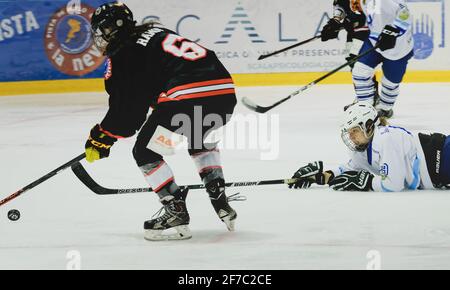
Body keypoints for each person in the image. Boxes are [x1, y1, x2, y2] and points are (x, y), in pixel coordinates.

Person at [85, 2, 238, 241]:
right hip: (224, 98)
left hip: (185, 102)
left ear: (112, 28)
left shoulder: (124, 52)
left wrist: (102, 137)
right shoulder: (156, 33)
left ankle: (175, 210)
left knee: (146, 151)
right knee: (197, 136)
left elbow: (127, 112)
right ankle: (219, 197)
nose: (100, 37)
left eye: (101, 30)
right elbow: (149, 89)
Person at [288, 103, 450, 192]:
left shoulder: (386, 138)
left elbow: (393, 184)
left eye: (355, 131)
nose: (351, 136)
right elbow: (352, 168)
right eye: (348, 132)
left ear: (369, 126)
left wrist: (367, 183)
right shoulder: (363, 149)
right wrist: (323, 176)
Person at [323, 0, 414, 118]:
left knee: (390, 83)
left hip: (398, 48)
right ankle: (365, 108)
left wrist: (393, 30)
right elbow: (354, 13)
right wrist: (337, 23)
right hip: (374, 40)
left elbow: (405, 13)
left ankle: (385, 109)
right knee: (359, 71)